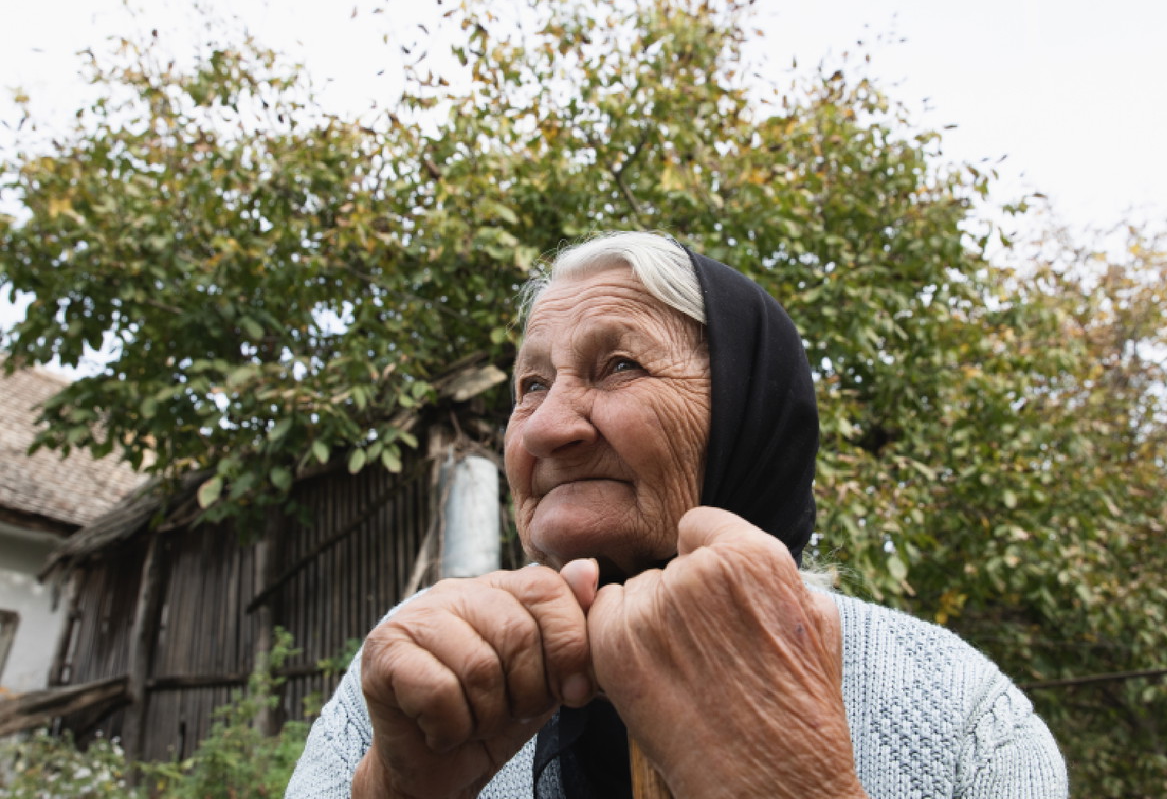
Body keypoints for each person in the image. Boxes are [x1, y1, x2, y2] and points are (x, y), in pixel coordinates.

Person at [287, 231, 1068, 798]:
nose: (548, 426)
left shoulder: (957, 707)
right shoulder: (415, 680)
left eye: (618, 365)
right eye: (530, 384)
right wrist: (393, 791)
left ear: (748, 416)